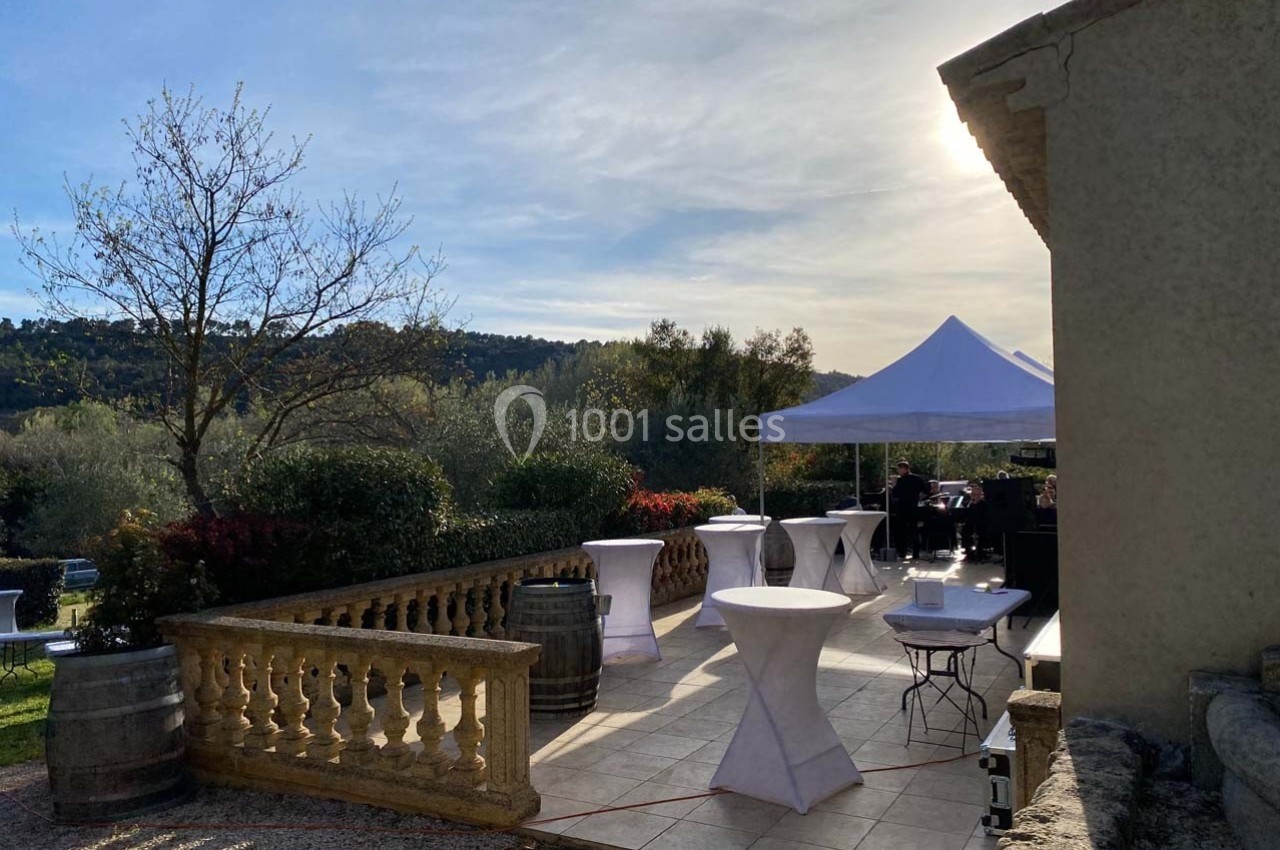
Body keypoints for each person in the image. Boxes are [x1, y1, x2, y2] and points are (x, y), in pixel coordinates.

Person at [890, 460, 928, 559]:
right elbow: (925, 491)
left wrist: (894, 484)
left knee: (901, 531)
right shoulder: (917, 478)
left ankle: (902, 552)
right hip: (914, 507)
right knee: (914, 530)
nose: (898, 471)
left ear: (903, 469)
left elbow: (895, 494)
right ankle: (916, 553)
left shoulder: (900, 480)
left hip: (902, 508)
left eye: (899, 469)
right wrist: (919, 497)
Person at [962, 483, 992, 561]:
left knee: (981, 532)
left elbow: (986, 517)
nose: (974, 496)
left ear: (980, 495)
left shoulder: (984, 504)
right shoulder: (969, 504)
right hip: (971, 524)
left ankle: (980, 552)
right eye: (973, 494)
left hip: (981, 524)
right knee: (965, 530)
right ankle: (968, 552)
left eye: (977, 494)